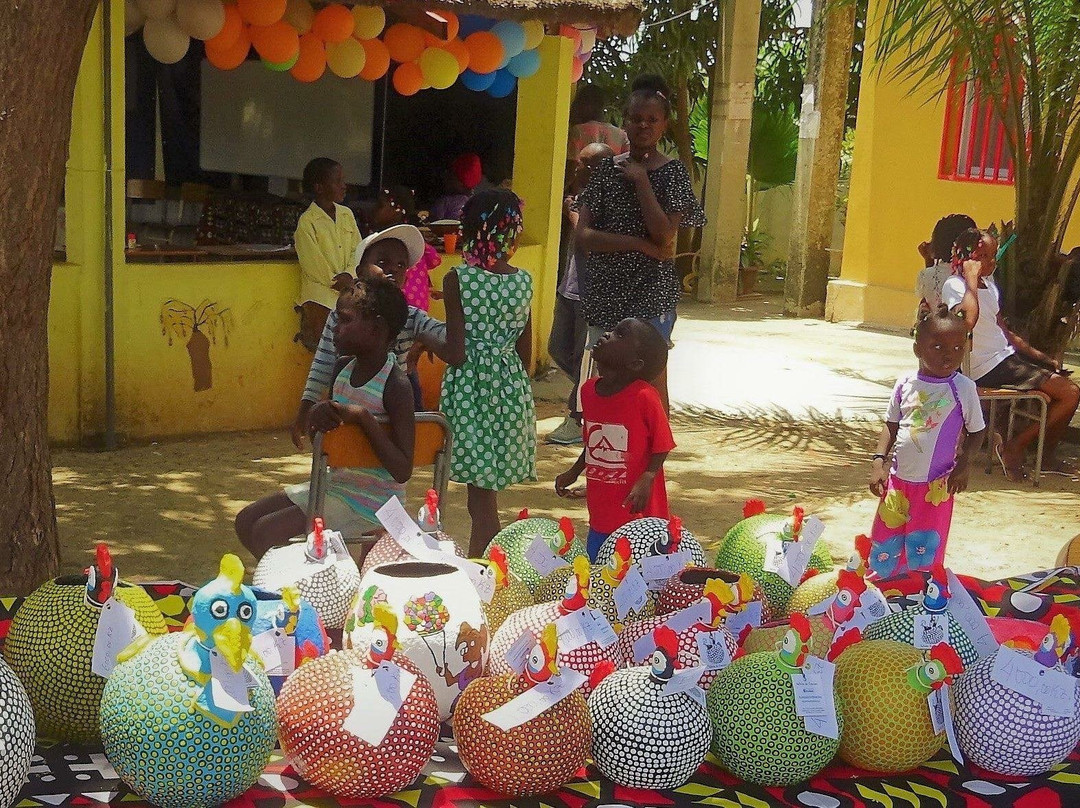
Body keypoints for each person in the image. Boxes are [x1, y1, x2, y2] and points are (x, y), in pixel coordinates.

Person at [236, 276, 415, 559]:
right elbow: (326, 440)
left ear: (377, 329)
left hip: (371, 503)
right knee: (246, 522)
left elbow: (403, 469)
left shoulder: (396, 385)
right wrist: (318, 415)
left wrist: (363, 418)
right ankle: (295, 585)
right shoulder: (342, 369)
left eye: (344, 321)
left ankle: (299, 594)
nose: (334, 330)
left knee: (264, 533)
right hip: (335, 486)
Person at [575, 74, 706, 410]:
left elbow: (664, 235)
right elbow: (585, 236)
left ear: (664, 125)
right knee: (604, 382)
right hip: (608, 295)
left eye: (652, 119)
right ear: (625, 122)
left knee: (650, 382)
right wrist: (638, 244)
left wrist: (642, 182)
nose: (644, 126)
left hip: (651, 295)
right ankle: (606, 456)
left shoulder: (673, 173)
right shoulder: (606, 171)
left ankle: (653, 459)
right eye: (636, 119)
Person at [436, 189, 536, 556]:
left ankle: (484, 571)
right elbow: (525, 353)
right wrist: (506, 381)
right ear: (512, 233)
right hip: (509, 392)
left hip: (470, 395)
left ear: (467, 230)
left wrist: (423, 340)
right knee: (485, 497)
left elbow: (457, 353)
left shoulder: (457, 280)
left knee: (480, 503)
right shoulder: (523, 282)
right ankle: (486, 567)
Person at [943, 228, 1080, 480]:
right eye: (983, 255)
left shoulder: (990, 287)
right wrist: (970, 280)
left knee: (1068, 390)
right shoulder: (954, 285)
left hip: (1006, 360)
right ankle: (1015, 447)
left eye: (993, 255)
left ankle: (1045, 454)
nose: (991, 262)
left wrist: (1040, 357)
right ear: (966, 256)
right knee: (1069, 393)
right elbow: (968, 321)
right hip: (984, 367)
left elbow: (1004, 331)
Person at [290, 224, 444, 448]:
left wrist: (427, 339)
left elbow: (446, 337)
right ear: (360, 271)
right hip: (346, 408)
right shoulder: (342, 315)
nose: (392, 269)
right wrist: (304, 412)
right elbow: (323, 364)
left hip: (391, 414)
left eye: (401, 265)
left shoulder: (412, 317)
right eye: (382, 262)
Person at [866, 306, 986, 576]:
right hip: (898, 483)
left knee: (925, 548)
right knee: (886, 541)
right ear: (917, 349)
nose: (949, 355)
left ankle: (919, 594)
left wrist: (964, 465)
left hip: (936, 487)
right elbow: (891, 425)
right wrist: (878, 462)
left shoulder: (963, 388)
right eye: (938, 347)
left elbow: (977, 431)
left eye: (958, 348)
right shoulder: (905, 383)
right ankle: (882, 589)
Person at [555, 318, 675, 561]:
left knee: (638, 576)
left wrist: (648, 476)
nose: (608, 333)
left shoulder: (644, 397)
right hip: (602, 511)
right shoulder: (589, 391)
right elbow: (593, 442)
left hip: (637, 514)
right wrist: (575, 471)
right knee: (599, 572)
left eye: (620, 335)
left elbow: (662, 444)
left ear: (634, 363)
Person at [547, 142, 615, 445]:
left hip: (595, 293)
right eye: (578, 163)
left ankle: (577, 419)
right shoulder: (578, 200)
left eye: (586, 164)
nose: (578, 169)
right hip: (570, 289)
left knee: (585, 358)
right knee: (559, 350)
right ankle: (593, 401)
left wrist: (575, 212)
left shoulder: (611, 204)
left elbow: (583, 234)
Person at [294, 158, 362, 352]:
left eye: (343, 180)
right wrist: (336, 281)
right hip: (321, 297)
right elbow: (313, 264)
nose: (344, 185)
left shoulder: (346, 214)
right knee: (327, 355)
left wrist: (349, 274)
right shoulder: (307, 222)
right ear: (319, 187)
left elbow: (357, 249)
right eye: (337, 181)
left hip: (347, 289)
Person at [915, 213, 977, 312]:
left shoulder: (925, 276)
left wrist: (928, 260)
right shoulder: (981, 274)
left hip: (939, 326)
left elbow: (929, 297)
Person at [568, 83, 630, 157]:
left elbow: (571, 164)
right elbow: (627, 162)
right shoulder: (621, 135)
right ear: (603, 106)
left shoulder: (578, 132)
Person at [429, 153, 482, 222]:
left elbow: (434, 221)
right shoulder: (478, 202)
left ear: (461, 181)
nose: (445, 176)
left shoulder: (445, 202)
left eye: (451, 173)